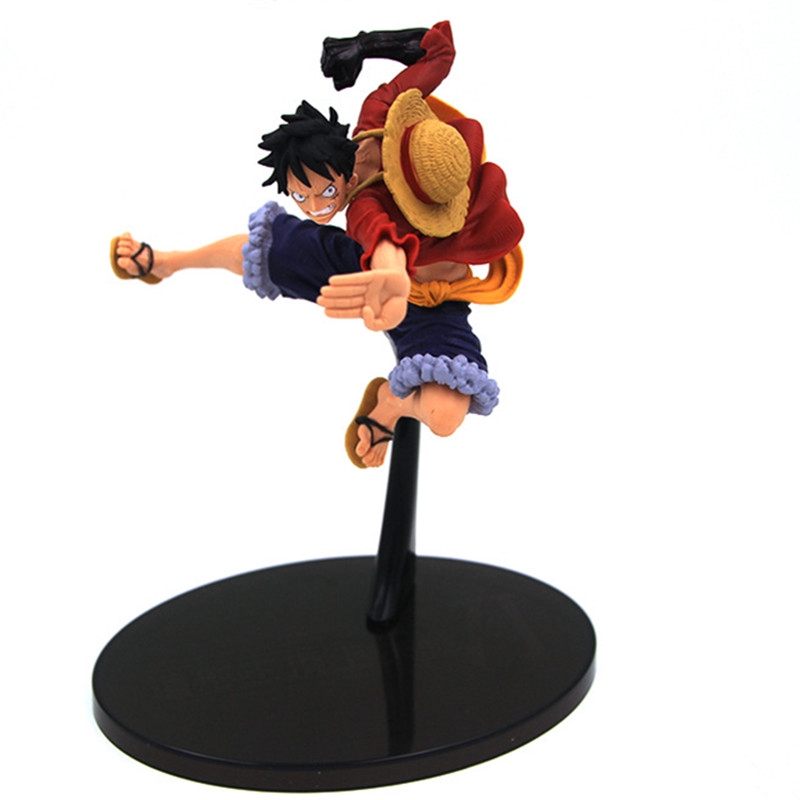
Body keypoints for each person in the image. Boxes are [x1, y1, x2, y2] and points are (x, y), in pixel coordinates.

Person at [112, 21, 523, 468]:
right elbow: (380, 238)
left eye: (326, 194)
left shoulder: (381, 123)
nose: (317, 208)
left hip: (434, 302)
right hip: (371, 269)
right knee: (265, 248)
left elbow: (439, 52)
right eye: (301, 196)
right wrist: (388, 271)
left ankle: (388, 403)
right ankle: (167, 261)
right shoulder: (365, 185)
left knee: (445, 416)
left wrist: (366, 46)